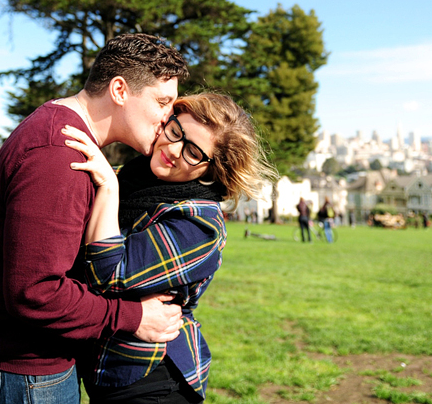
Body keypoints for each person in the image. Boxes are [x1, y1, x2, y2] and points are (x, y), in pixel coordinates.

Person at [0, 34, 189, 404]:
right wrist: (133, 317)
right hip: (21, 372)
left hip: (18, 367)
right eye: (162, 102)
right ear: (120, 90)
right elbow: (36, 293)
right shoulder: (59, 155)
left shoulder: (64, 136)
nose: (167, 117)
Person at [62, 93, 276, 404]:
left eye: (193, 153)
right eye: (176, 132)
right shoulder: (133, 177)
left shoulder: (200, 225)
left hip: (150, 379)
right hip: (102, 369)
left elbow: (109, 273)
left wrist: (108, 188)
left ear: (211, 169)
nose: (173, 150)